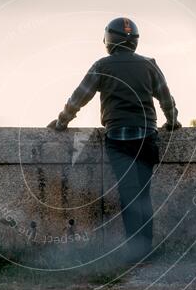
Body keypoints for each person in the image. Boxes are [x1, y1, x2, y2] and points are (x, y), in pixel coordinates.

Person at [47, 17, 181, 262]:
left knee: (129, 195)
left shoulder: (102, 65)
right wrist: (172, 122)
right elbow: (166, 99)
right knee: (143, 195)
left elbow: (79, 97)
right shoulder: (150, 65)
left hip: (118, 140)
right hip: (147, 136)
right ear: (135, 42)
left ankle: (136, 254)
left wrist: (61, 122)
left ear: (109, 40)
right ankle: (146, 251)